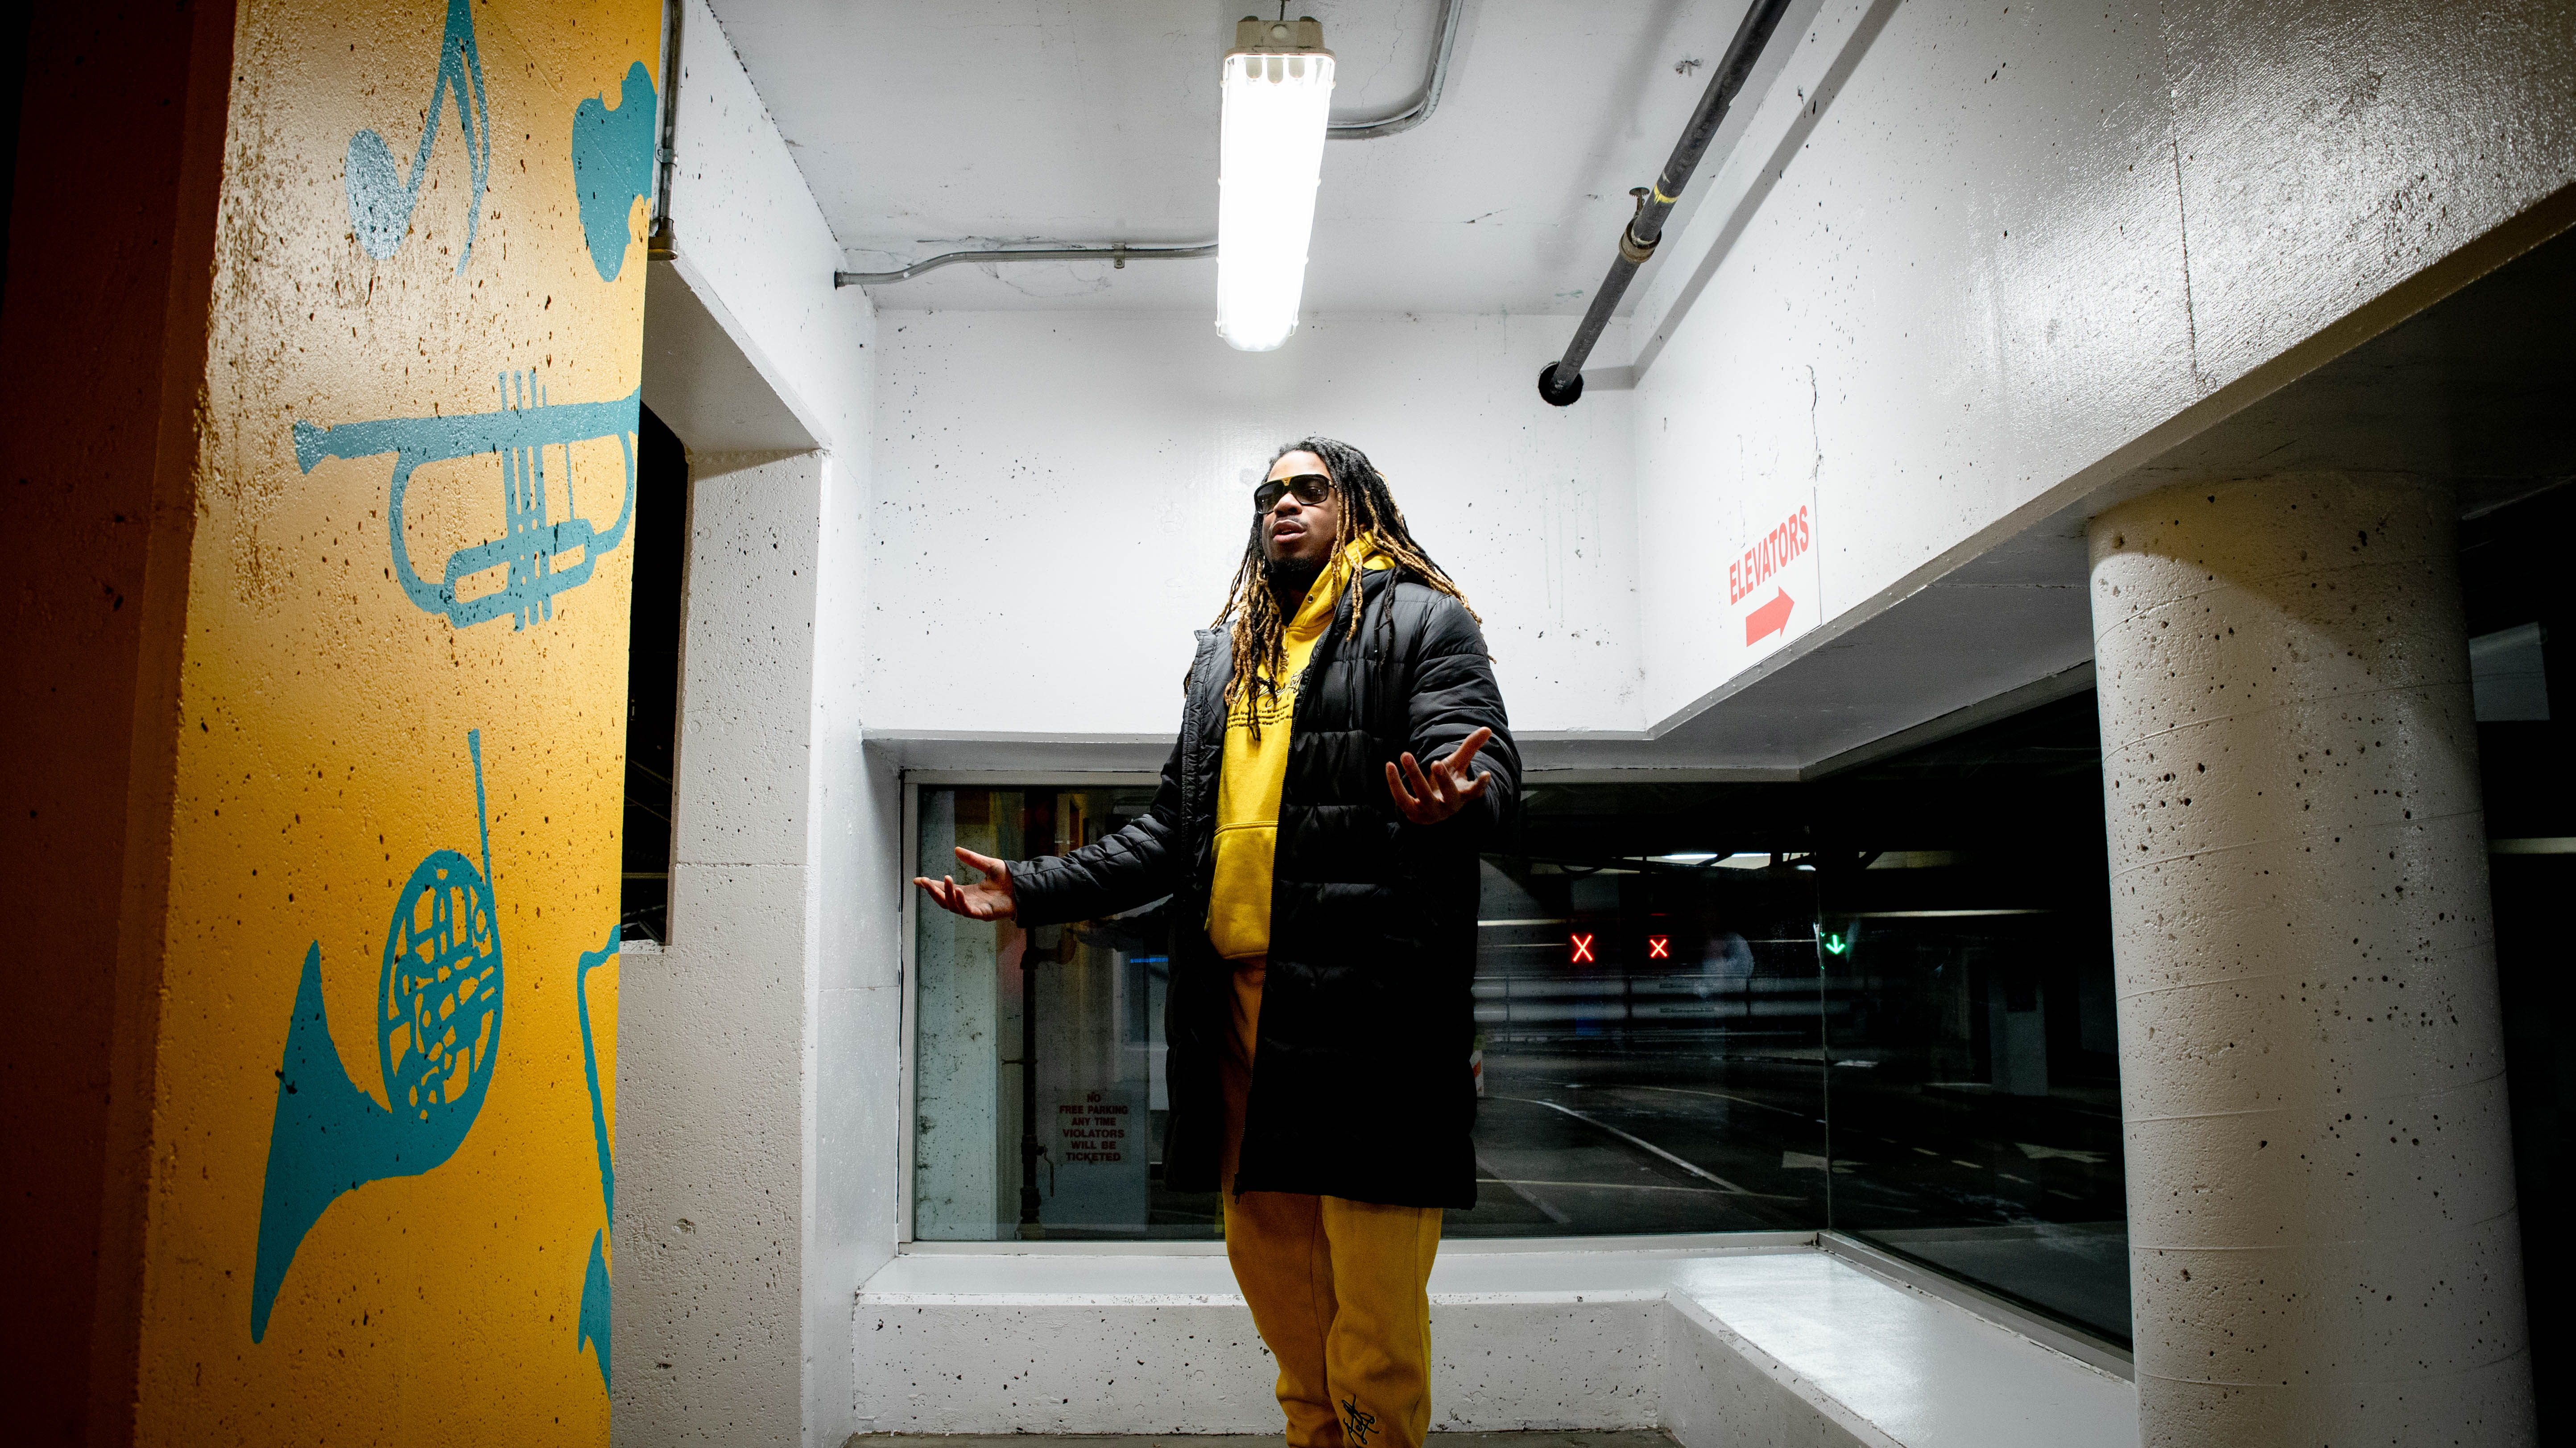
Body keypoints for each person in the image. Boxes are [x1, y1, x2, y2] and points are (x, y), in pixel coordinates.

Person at [914, 436, 1517, 1448]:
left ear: (1357, 504)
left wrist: (1462, 798)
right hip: (1236, 1012)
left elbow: (1481, 763)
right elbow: (1168, 832)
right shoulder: (1227, 660)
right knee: (1275, 1274)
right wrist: (1031, 890)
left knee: (1374, 1294)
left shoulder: (1421, 620)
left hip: (1369, 1010)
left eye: (1309, 489)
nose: (1283, 505)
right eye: (1269, 493)